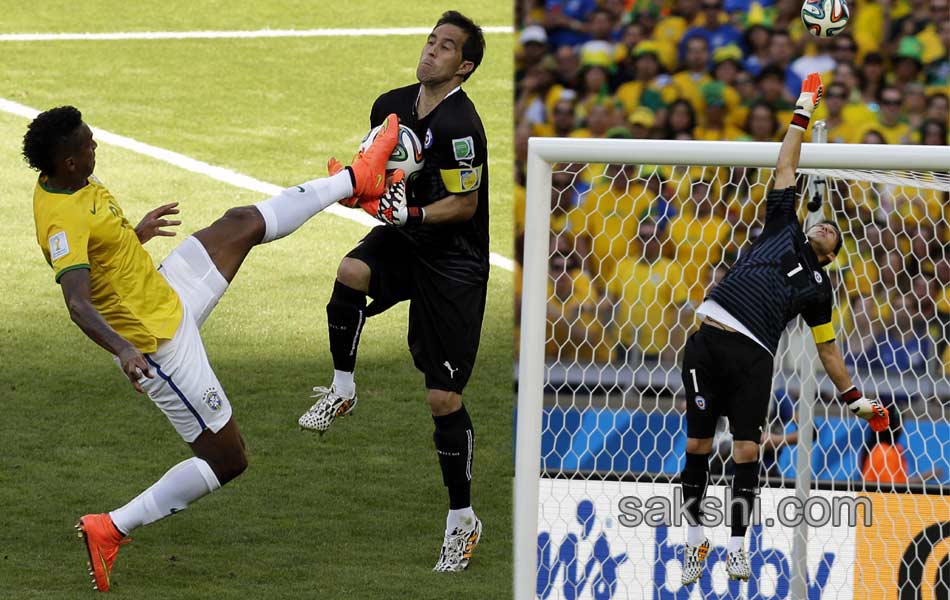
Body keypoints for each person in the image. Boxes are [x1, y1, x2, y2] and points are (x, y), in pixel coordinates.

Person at [24, 106, 399, 592]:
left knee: (241, 222)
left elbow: (99, 256)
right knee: (229, 460)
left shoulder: (71, 179)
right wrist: (124, 351)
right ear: (70, 162)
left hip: (165, 292)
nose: (96, 147)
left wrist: (133, 236)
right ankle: (111, 526)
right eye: (88, 145)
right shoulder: (61, 220)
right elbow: (77, 303)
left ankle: (357, 179)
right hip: (159, 346)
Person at [676, 73, 889, 585]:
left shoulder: (819, 289)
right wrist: (802, 112)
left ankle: (736, 547)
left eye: (834, 233)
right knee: (697, 447)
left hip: (754, 357)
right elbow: (786, 165)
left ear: (831, 256)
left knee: (746, 451)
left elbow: (829, 351)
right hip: (706, 341)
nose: (826, 226)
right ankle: (694, 539)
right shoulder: (782, 227)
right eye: (823, 223)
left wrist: (855, 400)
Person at [297, 11, 489, 573]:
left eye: (446, 47)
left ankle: (462, 521)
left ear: (464, 67)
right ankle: (342, 389)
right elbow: (378, 171)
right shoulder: (390, 105)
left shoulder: (462, 127)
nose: (431, 51)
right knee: (351, 272)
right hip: (408, 239)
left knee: (442, 398)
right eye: (431, 41)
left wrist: (413, 212)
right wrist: (362, 190)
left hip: (454, 262)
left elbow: (466, 205)